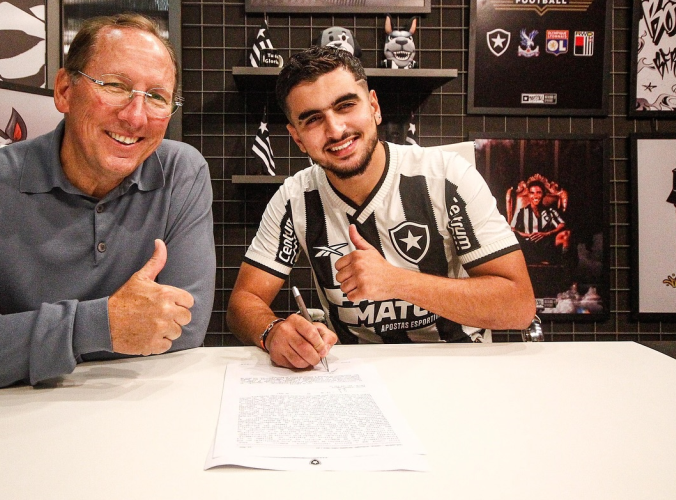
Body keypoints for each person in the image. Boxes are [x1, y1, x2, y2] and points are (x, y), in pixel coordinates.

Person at [0, 14, 215, 394]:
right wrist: (98, 326)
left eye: (157, 97)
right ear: (64, 91)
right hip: (9, 410)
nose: (135, 116)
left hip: (136, 403)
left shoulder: (181, 171)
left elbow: (182, 325)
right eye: (115, 86)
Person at [226, 46, 535, 369]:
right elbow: (243, 302)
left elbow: (518, 306)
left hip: (459, 366)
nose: (336, 130)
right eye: (313, 119)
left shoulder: (447, 178)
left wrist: (396, 281)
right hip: (356, 374)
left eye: (346, 106)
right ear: (298, 138)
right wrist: (273, 332)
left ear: (374, 107)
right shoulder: (294, 199)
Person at [510, 180, 567, 264]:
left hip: (545, 245)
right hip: (527, 245)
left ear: (543, 194)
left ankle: (560, 266)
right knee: (513, 236)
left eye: (538, 193)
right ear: (528, 195)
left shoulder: (550, 211)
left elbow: (562, 225)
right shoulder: (521, 212)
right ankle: (538, 260)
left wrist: (547, 234)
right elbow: (512, 229)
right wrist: (528, 235)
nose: (535, 196)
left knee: (566, 234)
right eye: (532, 193)